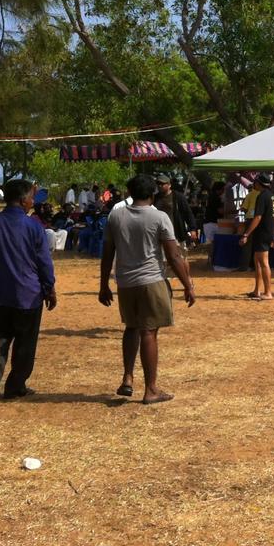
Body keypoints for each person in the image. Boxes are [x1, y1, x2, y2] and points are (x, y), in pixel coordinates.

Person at [99, 174, 196, 405]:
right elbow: (173, 256)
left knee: (131, 327)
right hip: (152, 281)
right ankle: (151, 389)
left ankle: (128, 377)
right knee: (149, 332)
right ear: (153, 193)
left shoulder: (116, 216)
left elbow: (107, 253)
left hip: (125, 282)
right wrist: (188, 285)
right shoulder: (159, 217)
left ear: (129, 193)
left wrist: (103, 284)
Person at [0, 179, 57, 399]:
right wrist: (50, 288)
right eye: (30, 197)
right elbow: (44, 262)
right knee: (26, 340)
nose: (32, 201)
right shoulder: (34, 227)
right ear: (22, 200)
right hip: (28, 294)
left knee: (1, 332)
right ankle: (16, 385)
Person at [238, 174, 274, 300]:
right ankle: (257, 290)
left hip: (262, 232)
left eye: (255, 182)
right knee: (257, 262)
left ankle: (268, 292)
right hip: (268, 232)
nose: (253, 184)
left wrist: (246, 234)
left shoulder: (261, 196)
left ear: (259, 183)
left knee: (264, 263)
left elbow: (258, 217)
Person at [153, 174, 198, 249]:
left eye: (162, 184)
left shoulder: (178, 197)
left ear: (169, 185)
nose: (159, 186)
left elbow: (188, 213)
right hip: (159, 234)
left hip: (176, 233)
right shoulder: (155, 198)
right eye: (158, 184)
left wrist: (193, 229)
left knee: (179, 258)